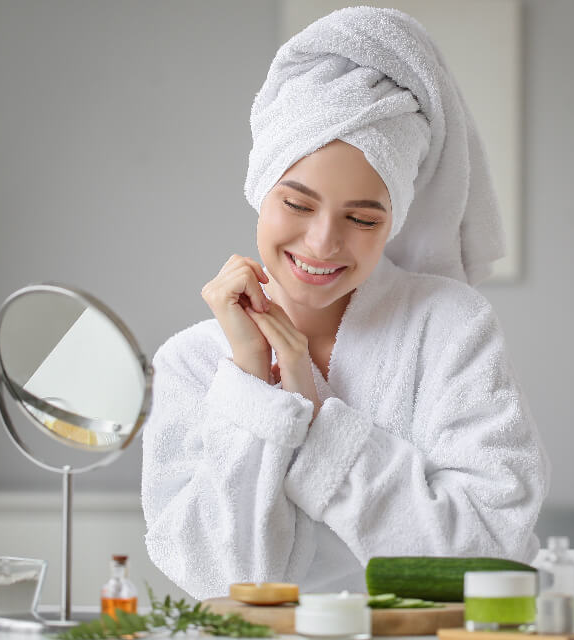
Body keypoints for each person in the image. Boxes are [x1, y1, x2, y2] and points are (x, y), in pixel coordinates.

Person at [141, 7, 549, 598]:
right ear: (261, 188)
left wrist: (312, 422)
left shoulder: (449, 328)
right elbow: (215, 576)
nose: (323, 242)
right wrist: (252, 386)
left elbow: (491, 546)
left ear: (394, 221)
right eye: (298, 204)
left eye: (362, 217)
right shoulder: (191, 364)